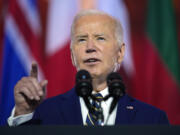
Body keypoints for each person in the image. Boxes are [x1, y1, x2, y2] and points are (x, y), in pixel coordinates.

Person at [8, 9, 169, 126]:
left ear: (120, 53)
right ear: (72, 56)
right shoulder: (46, 114)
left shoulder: (152, 120)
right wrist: (23, 113)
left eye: (100, 38)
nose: (90, 47)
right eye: (82, 39)